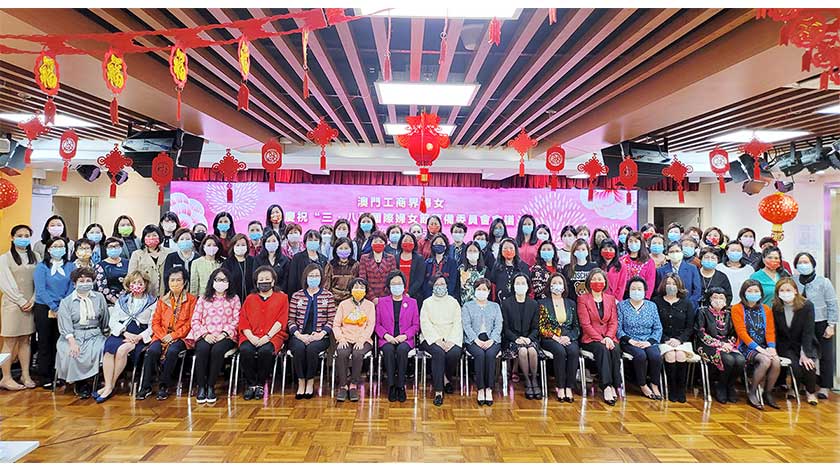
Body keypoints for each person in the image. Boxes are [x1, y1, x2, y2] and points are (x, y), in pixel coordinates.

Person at [136, 267, 196, 401]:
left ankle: (164, 385)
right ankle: (146, 387)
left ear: (185, 282)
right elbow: (155, 322)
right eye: (172, 280)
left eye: (178, 280)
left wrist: (173, 336)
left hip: (181, 337)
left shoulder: (192, 300)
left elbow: (190, 323)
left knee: (173, 351)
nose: (175, 283)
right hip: (161, 335)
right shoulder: (162, 300)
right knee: (152, 351)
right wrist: (163, 336)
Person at [97, 271, 156, 403]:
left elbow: (153, 325)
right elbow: (113, 320)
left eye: (140, 283)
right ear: (129, 285)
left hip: (139, 334)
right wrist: (124, 332)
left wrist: (139, 337)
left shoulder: (152, 302)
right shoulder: (122, 300)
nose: (137, 285)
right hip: (123, 331)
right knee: (109, 349)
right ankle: (108, 385)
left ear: (145, 285)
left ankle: (110, 385)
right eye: (134, 282)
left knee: (122, 350)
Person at [55, 267, 110, 398]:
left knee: (100, 349)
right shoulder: (66, 302)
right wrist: (72, 342)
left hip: (94, 334)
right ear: (74, 284)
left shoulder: (99, 297)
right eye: (81, 281)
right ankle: (80, 383)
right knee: (74, 352)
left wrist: (105, 334)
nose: (85, 283)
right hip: (73, 335)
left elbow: (105, 320)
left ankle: (95, 379)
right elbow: (65, 325)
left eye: (88, 280)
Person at [188, 267, 240, 404]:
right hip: (205, 334)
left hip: (226, 336)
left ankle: (211, 386)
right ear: (212, 281)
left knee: (217, 350)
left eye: (224, 280)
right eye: (218, 279)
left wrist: (224, 333)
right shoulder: (203, 298)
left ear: (229, 282)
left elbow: (237, 320)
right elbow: (195, 320)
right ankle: (201, 386)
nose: (220, 282)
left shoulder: (234, 299)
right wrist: (205, 334)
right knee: (202, 349)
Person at [238, 266, 289, 400]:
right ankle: (251, 385)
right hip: (250, 335)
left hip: (273, 336)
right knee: (245, 350)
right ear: (256, 282)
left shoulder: (282, 298)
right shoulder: (250, 298)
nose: (264, 282)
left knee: (265, 351)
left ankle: (261, 384)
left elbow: (281, 320)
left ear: (273, 281)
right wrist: (251, 337)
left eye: (267, 279)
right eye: (261, 279)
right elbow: (243, 320)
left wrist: (267, 337)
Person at [0, 225, 40, 390]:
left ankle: (25, 375)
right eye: (20, 235)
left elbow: (39, 279)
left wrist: (33, 298)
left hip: (31, 304)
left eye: (26, 235)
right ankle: (5, 377)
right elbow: (5, 283)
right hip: (12, 304)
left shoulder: (36, 256)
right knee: (8, 342)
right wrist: (21, 300)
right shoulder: (4, 258)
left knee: (26, 340)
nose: (23, 238)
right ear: (12, 237)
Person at [793, 252, 837, 399]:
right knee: (802, 353)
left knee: (825, 355)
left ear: (813, 264)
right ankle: (802, 384)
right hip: (800, 323)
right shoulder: (793, 281)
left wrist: (831, 325)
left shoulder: (824, 282)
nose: (803, 265)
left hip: (821, 322)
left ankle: (825, 387)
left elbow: (832, 304)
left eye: (806, 262)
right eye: (800, 262)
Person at [288, 264, 335, 399]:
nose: (314, 278)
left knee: (312, 349)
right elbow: (290, 320)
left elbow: (331, 319)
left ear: (321, 278)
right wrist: (299, 335)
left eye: (316, 275)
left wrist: (321, 334)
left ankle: (310, 381)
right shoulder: (297, 296)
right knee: (299, 348)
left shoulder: (328, 296)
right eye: (311, 275)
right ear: (305, 277)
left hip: (320, 336)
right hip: (299, 335)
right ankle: (301, 381)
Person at [732, 279, 781, 410]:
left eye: (756, 291)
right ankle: (752, 392)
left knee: (776, 361)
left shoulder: (766, 309)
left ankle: (768, 393)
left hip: (764, 346)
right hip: (746, 346)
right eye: (750, 291)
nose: (753, 293)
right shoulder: (737, 308)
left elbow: (770, 330)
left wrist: (771, 347)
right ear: (743, 293)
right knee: (765, 361)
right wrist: (759, 349)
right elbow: (741, 333)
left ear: (761, 293)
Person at [771, 278, 819, 405]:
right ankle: (793, 388)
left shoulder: (807, 306)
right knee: (795, 367)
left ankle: (810, 392)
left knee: (808, 365)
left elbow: (808, 331)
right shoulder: (776, 307)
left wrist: (805, 353)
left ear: (796, 291)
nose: (785, 293)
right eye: (782, 290)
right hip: (785, 345)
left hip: (805, 342)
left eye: (788, 290)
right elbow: (775, 330)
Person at [577, 269, 621, 405]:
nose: (597, 282)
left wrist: (608, 337)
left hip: (608, 337)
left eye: (600, 279)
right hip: (591, 338)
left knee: (615, 349)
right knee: (602, 349)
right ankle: (606, 386)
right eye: (594, 279)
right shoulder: (583, 299)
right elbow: (585, 324)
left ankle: (615, 385)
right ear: (589, 282)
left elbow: (613, 322)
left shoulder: (610, 299)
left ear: (605, 282)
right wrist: (601, 339)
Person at [33, 237, 73, 388]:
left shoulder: (70, 266)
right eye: (55, 246)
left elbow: (72, 286)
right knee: (45, 342)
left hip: (64, 308)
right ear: (49, 249)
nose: (58, 249)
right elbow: (41, 290)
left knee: (60, 342)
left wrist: (62, 305)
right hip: (44, 307)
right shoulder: (41, 267)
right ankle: (45, 376)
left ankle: (59, 374)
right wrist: (53, 306)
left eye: (61, 246)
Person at [375, 271, 419, 402]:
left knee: (402, 350)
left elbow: (416, 325)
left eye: (399, 283)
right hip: (387, 339)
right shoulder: (381, 302)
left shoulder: (412, 302)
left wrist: (405, 336)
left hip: (405, 339)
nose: (396, 286)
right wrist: (386, 335)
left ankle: (400, 385)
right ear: (389, 286)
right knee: (388, 350)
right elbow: (377, 324)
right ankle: (391, 386)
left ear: (404, 285)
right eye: (393, 283)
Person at [420, 275, 463, 406]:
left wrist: (451, 341)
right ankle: (439, 391)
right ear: (432, 286)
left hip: (451, 337)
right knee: (438, 352)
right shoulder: (427, 303)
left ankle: (445, 378)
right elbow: (425, 323)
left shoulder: (453, 302)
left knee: (454, 353)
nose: (440, 286)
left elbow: (457, 323)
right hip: (431, 337)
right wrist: (437, 340)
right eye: (437, 284)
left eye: (442, 284)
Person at [696, 287, 744, 404]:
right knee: (728, 360)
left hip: (727, 345)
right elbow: (701, 333)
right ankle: (720, 385)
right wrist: (719, 344)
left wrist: (729, 344)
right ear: (709, 299)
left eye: (721, 298)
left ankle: (730, 385)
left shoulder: (729, 314)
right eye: (715, 297)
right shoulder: (702, 312)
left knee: (740, 360)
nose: (718, 300)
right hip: (707, 345)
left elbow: (733, 333)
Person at [617, 277, 663, 400]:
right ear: (628, 290)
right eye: (633, 289)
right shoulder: (621, 306)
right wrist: (630, 340)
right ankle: (642, 385)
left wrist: (649, 342)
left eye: (639, 289)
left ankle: (654, 384)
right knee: (640, 356)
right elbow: (618, 328)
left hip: (648, 340)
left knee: (655, 356)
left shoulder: (651, 306)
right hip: (630, 341)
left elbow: (658, 328)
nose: (636, 291)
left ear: (644, 291)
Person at [653, 273, 696, 403]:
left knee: (681, 355)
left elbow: (690, 327)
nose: (671, 286)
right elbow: (654, 325)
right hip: (663, 339)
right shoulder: (656, 302)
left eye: (674, 284)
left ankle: (680, 389)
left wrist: (679, 340)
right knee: (670, 355)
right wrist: (666, 339)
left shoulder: (687, 303)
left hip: (681, 340)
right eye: (668, 284)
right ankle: (671, 388)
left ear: (679, 286)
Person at [538, 273, 580, 402]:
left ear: (564, 286)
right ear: (549, 286)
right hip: (550, 338)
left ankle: (569, 387)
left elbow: (576, 327)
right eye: (554, 283)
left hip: (567, 337)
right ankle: (560, 386)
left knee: (573, 351)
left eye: (560, 283)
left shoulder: (571, 303)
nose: (557, 285)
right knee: (560, 352)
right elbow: (541, 326)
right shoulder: (542, 303)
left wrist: (569, 337)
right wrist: (554, 337)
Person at [333, 278, 375, 403]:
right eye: (356, 287)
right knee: (342, 353)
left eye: (362, 288)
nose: (359, 290)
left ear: (366, 291)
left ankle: (353, 385)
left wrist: (361, 340)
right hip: (345, 338)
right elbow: (336, 324)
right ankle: (343, 385)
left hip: (363, 339)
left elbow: (370, 325)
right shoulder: (343, 304)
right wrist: (340, 339)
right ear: (351, 289)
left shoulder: (370, 305)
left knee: (358, 353)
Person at [461, 278, 503, 406]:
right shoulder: (467, 306)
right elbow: (466, 325)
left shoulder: (495, 306)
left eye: (484, 289)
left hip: (492, 340)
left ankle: (489, 389)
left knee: (490, 355)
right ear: (474, 290)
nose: (481, 291)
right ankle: (480, 389)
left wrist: (492, 340)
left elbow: (498, 325)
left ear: (489, 291)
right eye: (478, 289)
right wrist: (476, 340)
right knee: (479, 354)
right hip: (473, 340)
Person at [657, 241, 701, 308]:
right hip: (667, 307)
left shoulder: (692, 268)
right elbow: (659, 290)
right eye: (672, 252)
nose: (675, 254)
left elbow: (697, 290)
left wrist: (689, 305)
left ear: (682, 252)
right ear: (668, 254)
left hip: (688, 307)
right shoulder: (661, 271)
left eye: (677, 251)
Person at [128, 225, 168, 296]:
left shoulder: (169, 253)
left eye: (154, 235)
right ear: (144, 238)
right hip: (145, 294)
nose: (151, 238)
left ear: (160, 236)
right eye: (148, 236)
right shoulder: (137, 254)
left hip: (165, 293)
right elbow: (131, 275)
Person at [357, 231, 397, 301]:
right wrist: (372, 297)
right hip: (369, 297)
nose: (378, 243)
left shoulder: (391, 258)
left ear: (385, 244)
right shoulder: (364, 258)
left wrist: (384, 298)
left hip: (386, 297)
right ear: (371, 244)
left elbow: (392, 279)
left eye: (381, 242)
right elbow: (363, 279)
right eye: (375, 241)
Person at [489, 238, 530, 303]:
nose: (508, 250)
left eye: (511, 248)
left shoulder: (524, 267)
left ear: (516, 250)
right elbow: (493, 285)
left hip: (518, 302)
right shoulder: (496, 266)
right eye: (505, 248)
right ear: (501, 250)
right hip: (500, 302)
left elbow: (528, 287)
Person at [287, 230, 328, 295]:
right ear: (305, 242)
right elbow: (292, 280)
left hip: (319, 295)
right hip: (300, 294)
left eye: (316, 240)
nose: (313, 242)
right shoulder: (297, 258)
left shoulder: (324, 259)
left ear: (319, 242)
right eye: (310, 240)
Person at [717, 241, 755, 306]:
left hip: (744, 306)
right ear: (726, 252)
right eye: (733, 250)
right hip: (722, 306)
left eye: (738, 250)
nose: (735, 252)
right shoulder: (719, 267)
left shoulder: (749, 269)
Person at [620, 231, 656, 299]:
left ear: (641, 243)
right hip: (624, 296)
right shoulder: (621, 260)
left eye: (636, 241)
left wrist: (646, 298)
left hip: (641, 296)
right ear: (627, 243)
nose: (633, 243)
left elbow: (650, 282)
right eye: (630, 241)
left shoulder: (649, 262)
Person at [324, 237, 360, 304]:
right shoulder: (330, 265)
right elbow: (326, 286)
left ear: (351, 250)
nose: (343, 250)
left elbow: (358, 284)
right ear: (336, 250)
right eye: (341, 248)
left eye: (346, 248)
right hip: (333, 300)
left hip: (351, 300)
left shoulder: (355, 265)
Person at [222, 234, 256, 303]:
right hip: (233, 300)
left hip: (252, 298)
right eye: (237, 245)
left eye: (243, 245)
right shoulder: (227, 263)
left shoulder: (253, 261)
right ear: (233, 247)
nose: (240, 247)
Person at [254, 230, 291, 295]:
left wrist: (279, 291)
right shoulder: (257, 259)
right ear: (264, 243)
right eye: (268, 241)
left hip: (280, 294)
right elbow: (255, 277)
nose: (271, 243)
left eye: (274, 241)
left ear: (278, 243)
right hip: (262, 293)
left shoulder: (285, 260)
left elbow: (286, 279)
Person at [94, 237, 129, 305]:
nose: (114, 248)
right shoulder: (100, 265)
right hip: (110, 302)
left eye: (116, 246)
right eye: (110, 247)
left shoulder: (127, 262)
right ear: (106, 249)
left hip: (128, 299)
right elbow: (102, 287)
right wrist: (116, 302)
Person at [422, 233, 457, 300]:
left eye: (441, 243)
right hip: (430, 298)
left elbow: (452, 282)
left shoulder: (452, 263)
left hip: (447, 298)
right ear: (432, 246)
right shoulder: (427, 263)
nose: (438, 244)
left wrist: (445, 296)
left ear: (445, 246)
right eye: (436, 243)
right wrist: (429, 296)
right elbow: (424, 282)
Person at [397, 233, 425, 301]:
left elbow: (419, 279)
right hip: (397, 293)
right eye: (405, 240)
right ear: (401, 243)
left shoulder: (419, 258)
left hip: (414, 295)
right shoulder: (395, 258)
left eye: (410, 241)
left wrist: (409, 293)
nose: (408, 242)